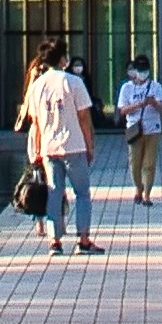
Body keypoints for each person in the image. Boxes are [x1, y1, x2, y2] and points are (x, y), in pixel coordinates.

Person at [17, 42, 101, 251]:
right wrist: (90, 145)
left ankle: (54, 240)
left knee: (54, 192)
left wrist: (36, 150)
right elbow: (84, 117)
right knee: (82, 193)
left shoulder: (37, 86)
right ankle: (83, 239)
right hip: (73, 145)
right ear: (63, 59)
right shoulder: (74, 82)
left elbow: (35, 123)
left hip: (49, 148)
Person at [115, 62, 162, 202]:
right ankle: (138, 187)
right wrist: (137, 105)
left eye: (145, 70)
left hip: (153, 129)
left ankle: (147, 193)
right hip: (134, 129)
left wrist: (153, 102)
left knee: (149, 163)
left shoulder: (155, 86)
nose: (142, 73)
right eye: (140, 70)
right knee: (135, 163)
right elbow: (122, 110)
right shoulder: (127, 88)